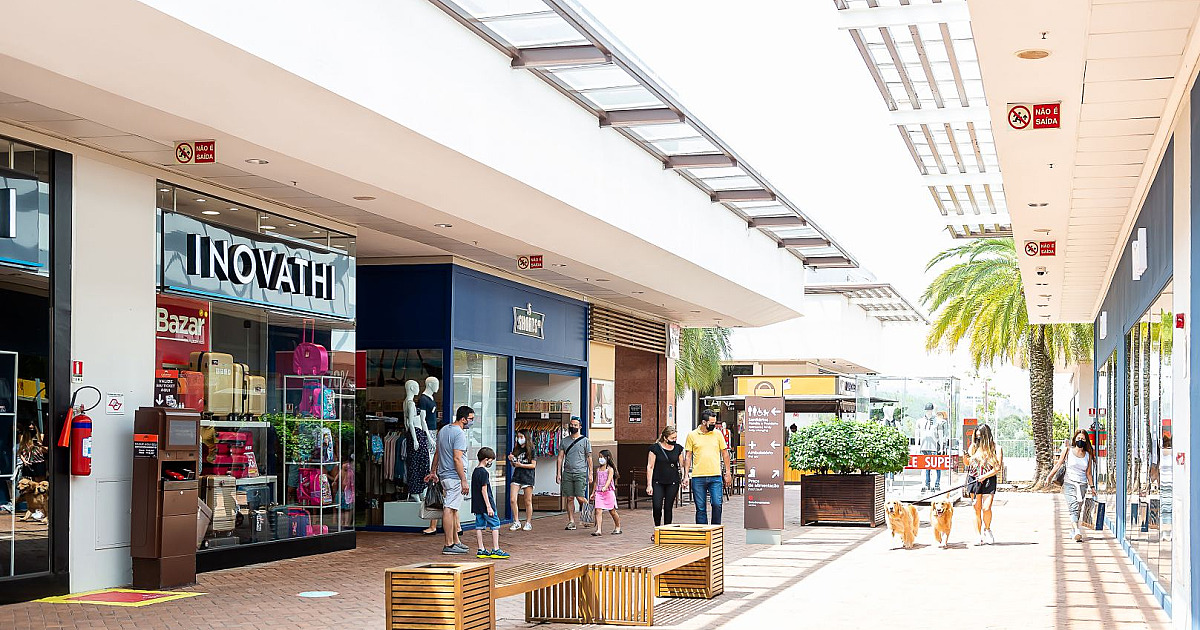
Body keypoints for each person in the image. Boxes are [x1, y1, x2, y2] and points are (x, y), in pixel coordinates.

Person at [425, 405, 474, 555]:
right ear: (463, 418)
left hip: (445, 475)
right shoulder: (459, 434)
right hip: (454, 476)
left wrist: (433, 471)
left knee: (453, 509)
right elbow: (457, 458)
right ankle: (448, 544)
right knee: (449, 508)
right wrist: (463, 480)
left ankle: (455, 541)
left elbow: (437, 454)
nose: (472, 422)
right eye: (471, 419)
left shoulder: (444, 430)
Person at [1046, 429, 1097, 542]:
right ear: (1075, 439)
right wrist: (1049, 476)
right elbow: (1058, 464)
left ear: (1086, 441)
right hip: (1069, 483)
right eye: (1078, 438)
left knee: (1078, 507)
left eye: (1083, 439)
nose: (1080, 441)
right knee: (1073, 506)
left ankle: (1073, 531)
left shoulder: (1088, 455)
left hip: (1082, 485)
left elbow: (1088, 473)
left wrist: (1092, 487)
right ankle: (1077, 530)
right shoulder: (1068, 451)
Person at [683, 410, 731, 524]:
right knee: (700, 508)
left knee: (717, 504)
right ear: (704, 422)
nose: (714, 425)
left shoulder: (718, 434)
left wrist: (728, 472)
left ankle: (715, 530)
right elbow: (688, 456)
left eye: (715, 422)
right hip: (698, 476)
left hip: (715, 476)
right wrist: (685, 475)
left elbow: (725, 453)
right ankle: (702, 534)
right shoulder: (692, 435)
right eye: (712, 423)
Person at [964, 423, 1004, 545]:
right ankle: (977, 535)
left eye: (981, 437)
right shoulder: (973, 447)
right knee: (976, 508)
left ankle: (987, 529)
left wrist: (984, 476)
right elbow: (967, 463)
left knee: (986, 508)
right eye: (977, 437)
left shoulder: (996, 448)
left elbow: (997, 468)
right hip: (974, 479)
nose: (978, 440)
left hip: (988, 480)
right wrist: (965, 456)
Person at [471, 447, 509, 559]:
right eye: (491, 460)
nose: (491, 462)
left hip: (477, 505)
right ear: (486, 459)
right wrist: (489, 506)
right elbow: (484, 490)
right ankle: (496, 549)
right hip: (486, 505)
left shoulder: (475, 471)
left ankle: (481, 549)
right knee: (495, 525)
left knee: (479, 526)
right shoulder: (484, 473)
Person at [556, 416, 592, 530]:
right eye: (571, 425)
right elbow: (560, 457)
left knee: (580, 497)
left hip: (580, 472)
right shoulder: (564, 441)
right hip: (567, 472)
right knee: (569, 497)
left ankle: (588, 517)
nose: (573, 427)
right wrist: (558, 473)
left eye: (575, 425)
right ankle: (571, 521)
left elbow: (589, 457)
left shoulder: (585, 441)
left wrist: (590, 473)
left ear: (580, 426)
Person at [646, 425, 683, 531]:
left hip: (673, 481)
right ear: (665, 438)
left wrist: (685, 476)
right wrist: (649, 484)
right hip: (658, 481)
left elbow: (682, 465)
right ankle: (657, 528)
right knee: (657, 506)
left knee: (668, 507)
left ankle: (667, 529)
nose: (674, 440)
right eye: (672, 438)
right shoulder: (655, 448)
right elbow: (650, 466)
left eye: (675, 438)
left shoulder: (678, 448)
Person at [507, 429, 536, 531]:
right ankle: (516, 521)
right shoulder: (516, 449)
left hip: (527, 477)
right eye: (518, 437)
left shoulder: (531, 449)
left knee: (527, 501)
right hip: (517, 476)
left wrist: (521, 465)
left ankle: (528, 522)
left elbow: (533, 465)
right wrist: (512, 460)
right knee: (512, 499)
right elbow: (514, 464)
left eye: (521, 437)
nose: (519, 439)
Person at [592, 449, 622, 536]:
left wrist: (605, 487)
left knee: (612, 511)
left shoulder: (610, 469)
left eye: (602, 457)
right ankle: (598, 530)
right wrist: (593, 492)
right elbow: (596, 482)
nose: (600, 459)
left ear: (607, 458)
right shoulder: (598, 469)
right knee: (598, 510)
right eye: (599, 457)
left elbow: (609, 479)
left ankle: (617, 526)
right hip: (599, 492)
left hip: (608, 492)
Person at [917, 404, 946, 492]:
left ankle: (935, 484)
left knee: (935, 466)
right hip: (923, 447)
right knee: (925, 467)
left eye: (930, 410)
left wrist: (941, 447)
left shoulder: (938, 422)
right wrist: (917, 447)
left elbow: (940, 435)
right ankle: (926, 484)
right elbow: (917, 434)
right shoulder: (920, 421)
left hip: (934, 448)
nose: (929, 411)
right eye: (927, 410)